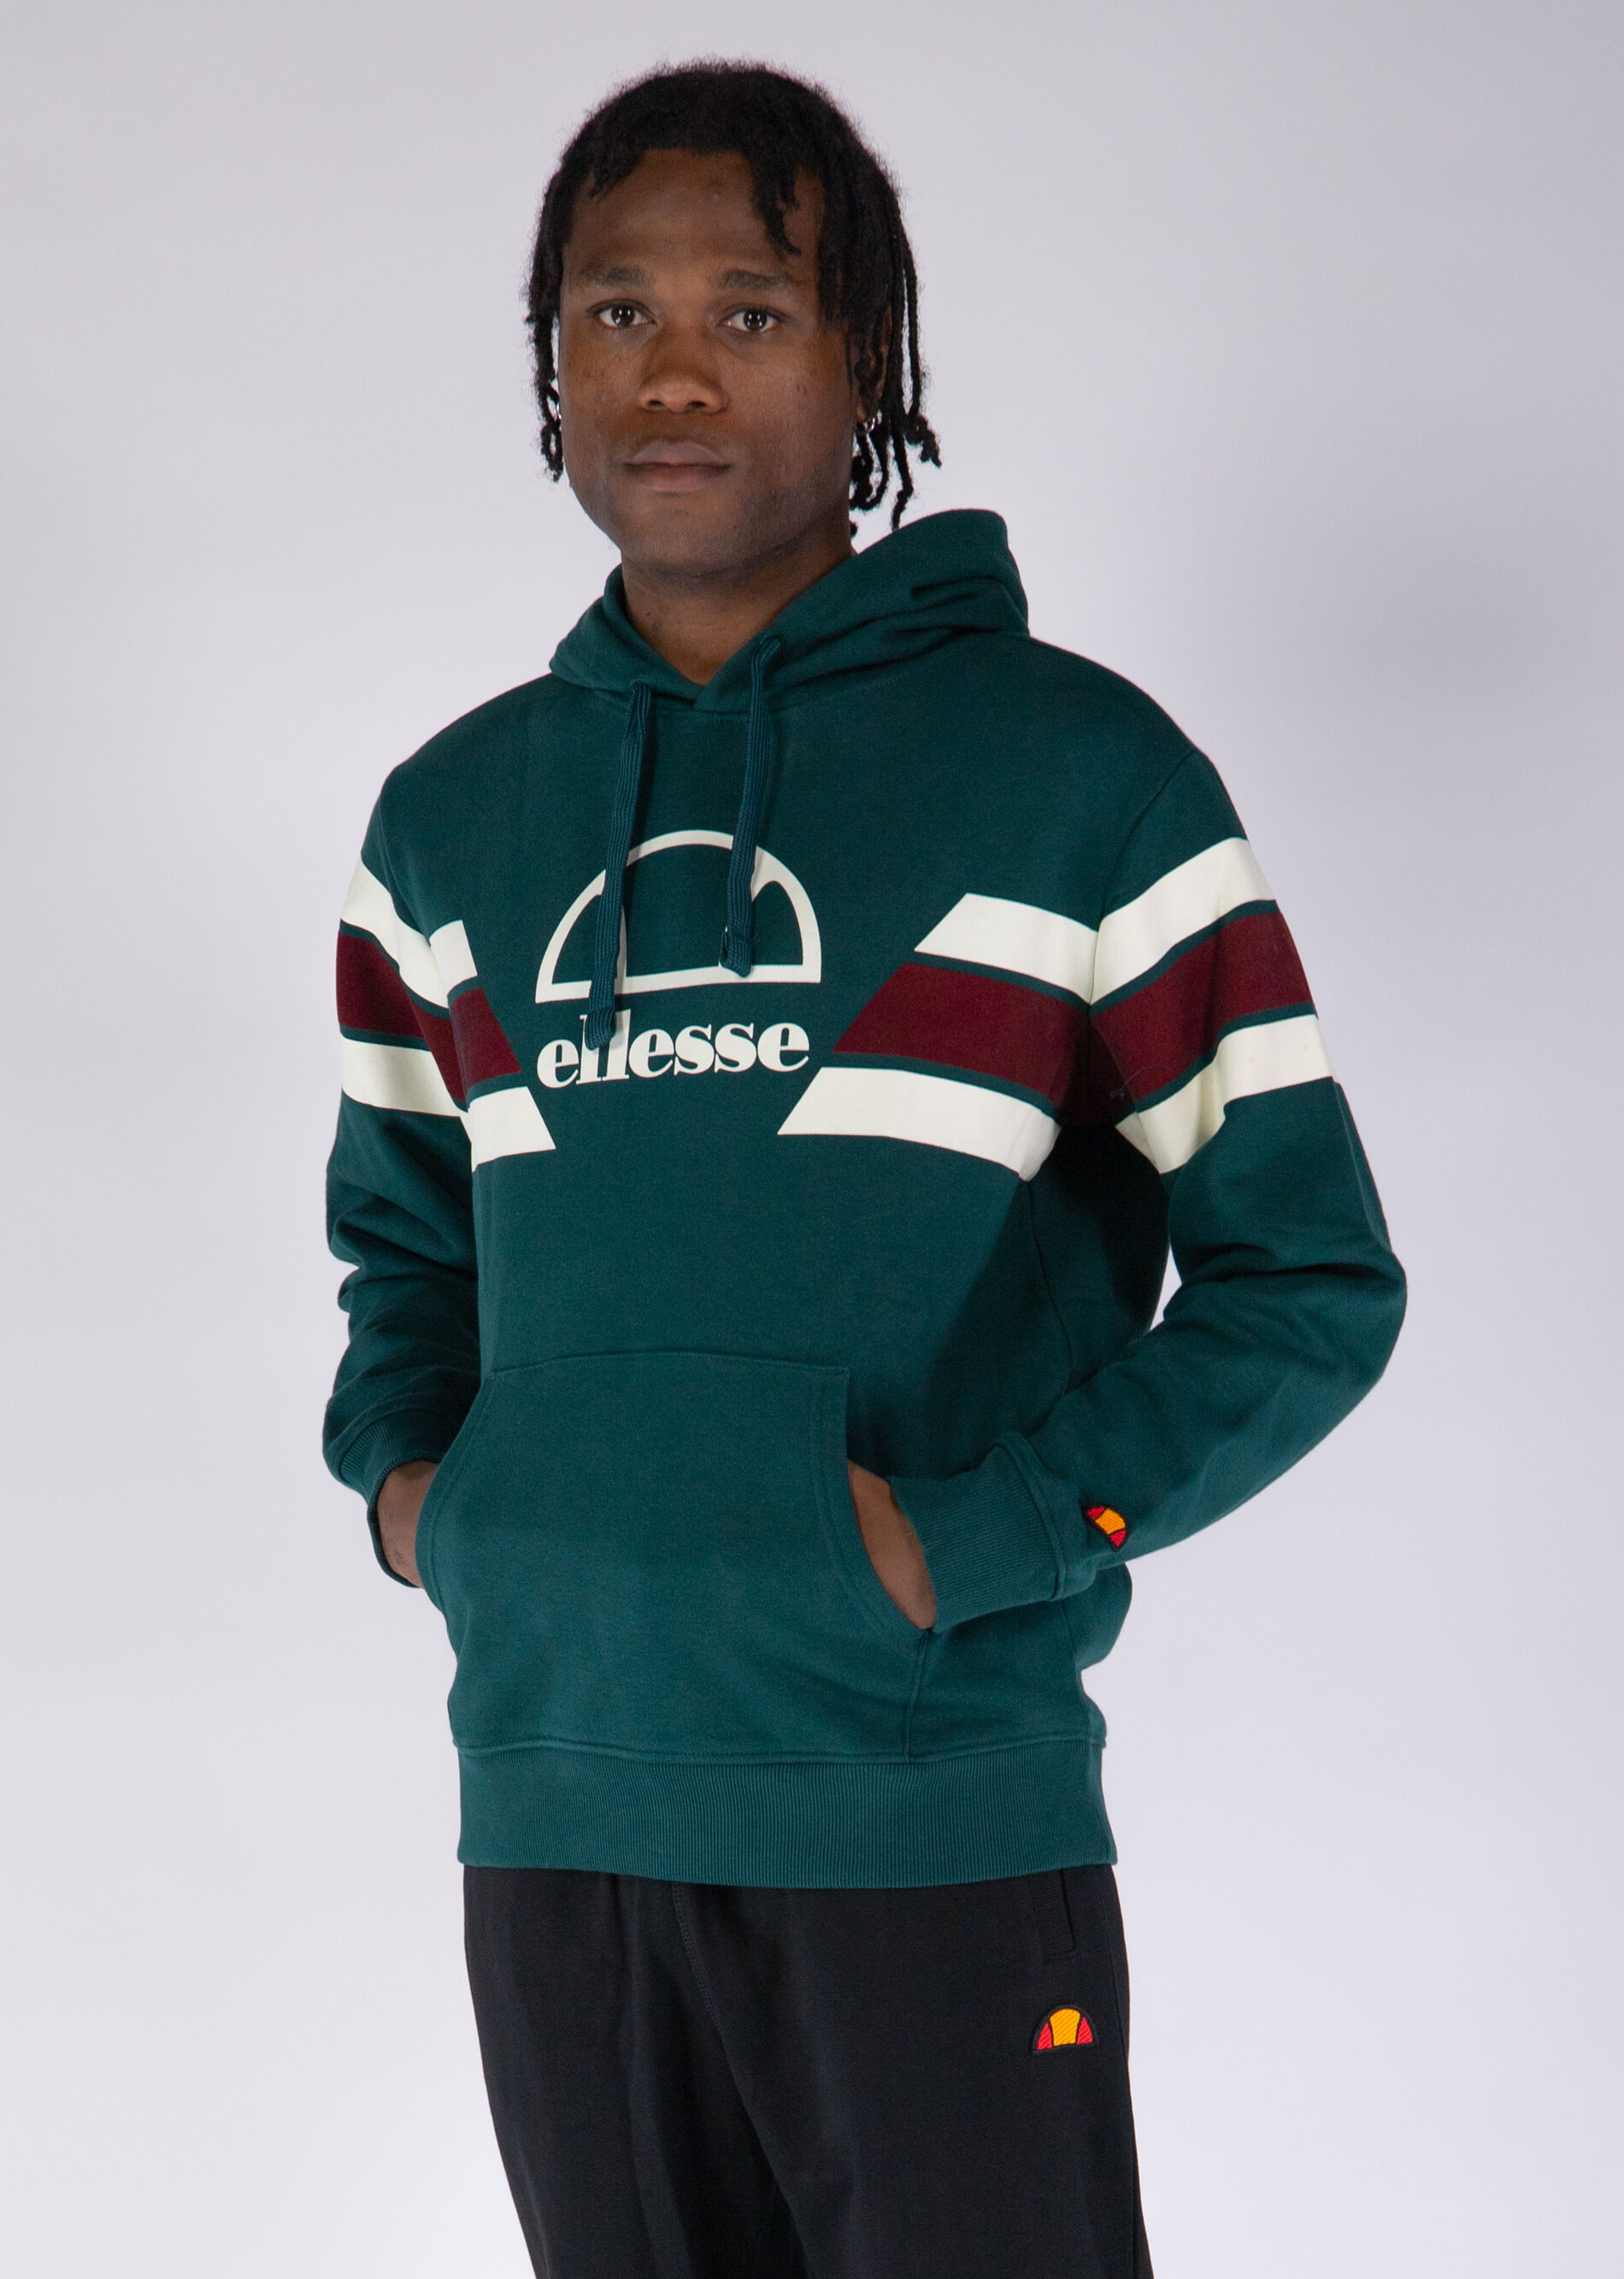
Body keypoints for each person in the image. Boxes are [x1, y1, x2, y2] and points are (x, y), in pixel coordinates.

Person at [324, 62, 1405, 2279]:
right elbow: (405, 1249)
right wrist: (429, 1500)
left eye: (750, 308)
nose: (673, 372)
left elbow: (1310, 1278)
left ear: (869, 362)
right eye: (615, 311)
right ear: (550, 357)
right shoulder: (445, 823)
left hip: (928, 1814)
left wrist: (970, 1540)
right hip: (553, 1811)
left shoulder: (1082, 777)